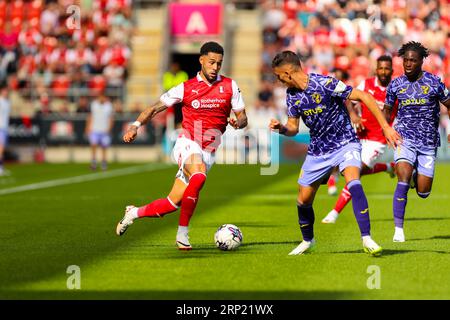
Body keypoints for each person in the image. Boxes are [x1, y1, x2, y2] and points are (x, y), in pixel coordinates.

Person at [116, 42, 248, 250]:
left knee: (172, 203)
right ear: (201, 60)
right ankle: (182, 235)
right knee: (199, 174)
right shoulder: (186, 88)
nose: (215, 67)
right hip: (187, 142)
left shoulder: (230, 86)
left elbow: (243, 119)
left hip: (209, 150)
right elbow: (154, 108)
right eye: (211, 62)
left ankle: (133, 213)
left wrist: (236, 122)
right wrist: (135, 126)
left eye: (219, 64)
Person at [269, 51, 401, 256]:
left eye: (279, 76)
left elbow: (363, 96)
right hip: (318, 151)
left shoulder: (325, 83)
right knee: (303, 200)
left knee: (354, 183)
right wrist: (282, 129)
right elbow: (293, 127)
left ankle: (367, 238)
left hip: (345, 143)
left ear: (287, 73)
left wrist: (385, 127)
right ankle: (308, 241)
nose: (278, 80)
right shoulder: (291, 95)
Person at [383, 41, 450, 242]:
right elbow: (386, 112)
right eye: (406, 60)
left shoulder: (434, 82)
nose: (408, 64)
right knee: (401, 178)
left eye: (413, 60)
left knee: (423, 192)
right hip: (405, 139)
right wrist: (386, 130)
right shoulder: (395, 84)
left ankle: (416, 178)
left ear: (421, 61)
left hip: (428, 142)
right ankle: (398, 230)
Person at [322, 55, 397, 224]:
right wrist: (353, 114)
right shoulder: (367, 84)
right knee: (351, 168)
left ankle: (334, 212)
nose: (383, 72)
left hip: (378, 140)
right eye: (381, 68)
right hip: (359, 135)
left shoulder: (396, 89)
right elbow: (347, 97)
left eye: (387, 68)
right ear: (376, 69)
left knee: (356, 172)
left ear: (392, 70)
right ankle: (387, 167)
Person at [85, 91, 114, 171]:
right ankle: (93, 162)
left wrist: (109, 128)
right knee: (93, 145)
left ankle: (104, 163)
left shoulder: (108, 106)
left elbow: (111, 118)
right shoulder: (94, 104)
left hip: (104, 130)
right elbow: (90, 116)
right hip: (95, 129)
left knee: (104, 147)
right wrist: (88, 127)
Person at [0, 86, 10, 176]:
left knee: (2, 149)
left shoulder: (7, 102)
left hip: (5, 128)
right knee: (1, 148)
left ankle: (1, 167)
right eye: (5, 90)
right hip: (0, 127)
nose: (6, 92)